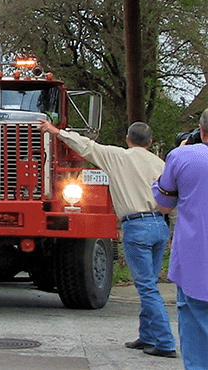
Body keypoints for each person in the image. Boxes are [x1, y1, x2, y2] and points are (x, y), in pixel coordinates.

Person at [38, 119, 176, 358]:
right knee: (150, 283)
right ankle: (147, 336)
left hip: (137, 227)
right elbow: (172, 196)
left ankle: (165, 342)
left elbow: (86, 146)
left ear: (127, 140)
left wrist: (56, 132)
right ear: (151, 142)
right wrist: (173, 229)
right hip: (159, 226)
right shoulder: (160, 163)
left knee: (146, 288)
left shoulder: (117, 157)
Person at [153, 107, 208, 369]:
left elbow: (164, 203)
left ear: (202, 130)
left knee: (196, 333)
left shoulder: (182, 155)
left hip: (196, 257)